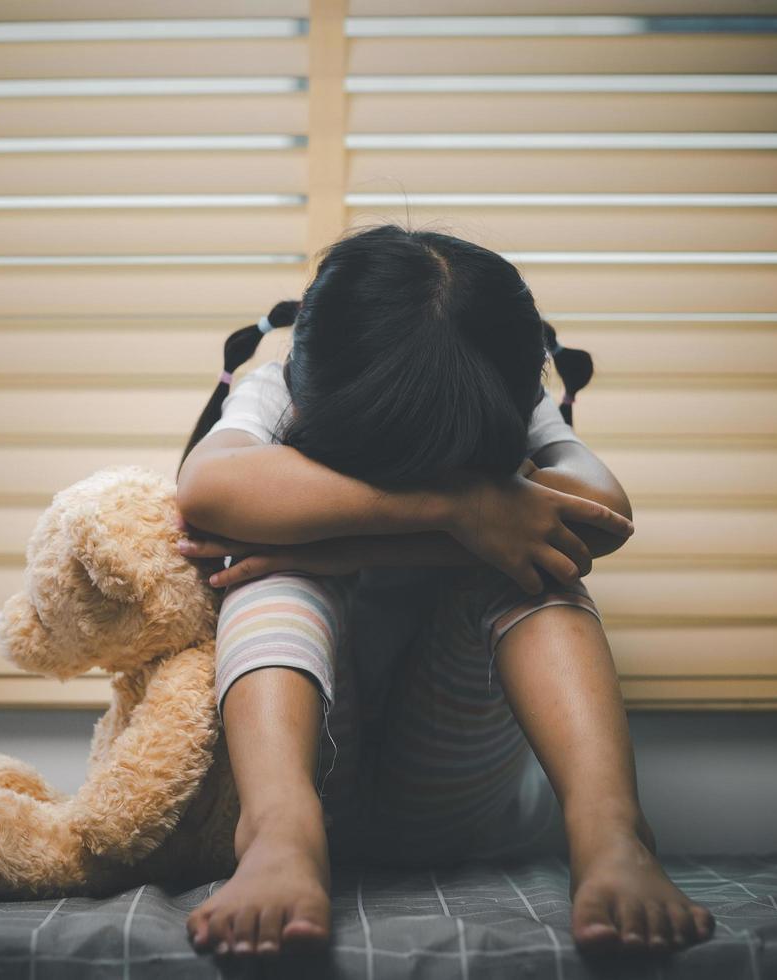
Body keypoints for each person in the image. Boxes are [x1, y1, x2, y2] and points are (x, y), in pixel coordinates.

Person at [172, 223, 715, 959]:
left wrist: (352, 546)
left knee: (530, 568)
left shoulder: (520, 406)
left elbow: (605, 514)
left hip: (452, 800)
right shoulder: (277, 391)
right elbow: (206, 487)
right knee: (280, 577)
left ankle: (614, 837)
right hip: (309, 789)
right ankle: (275, 840)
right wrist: (455, 509)